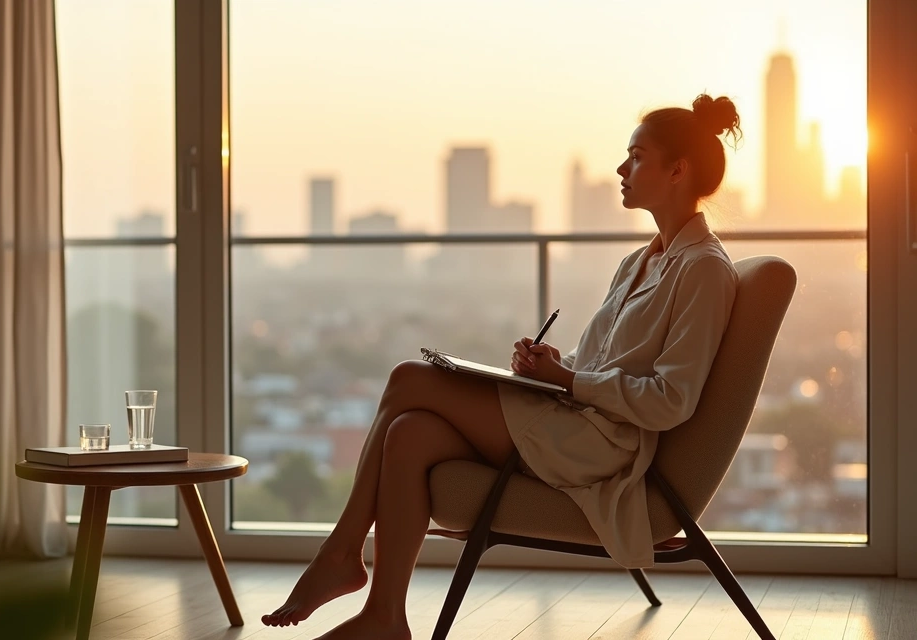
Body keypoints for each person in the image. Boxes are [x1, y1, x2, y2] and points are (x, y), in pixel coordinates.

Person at [261, 94, 743, 640]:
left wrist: (567, 380)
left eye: (636, 156)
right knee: (410, 432)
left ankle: (341, 552)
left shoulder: (703, 270)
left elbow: (671, 400)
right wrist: (555, 367)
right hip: (576, 420)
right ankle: (384, 618)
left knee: (408, 379)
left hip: (602, 447)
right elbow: (608, 364)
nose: (620, 168)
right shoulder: (643, 259)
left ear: (677, 169)